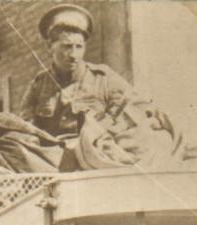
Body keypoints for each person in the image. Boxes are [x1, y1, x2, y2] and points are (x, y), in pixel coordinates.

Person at [20, 5, 136, 141]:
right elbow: (26, 126)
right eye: (66, 46)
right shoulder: (38, 85)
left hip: (94, 152)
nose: (73, 55)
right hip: (52, 156)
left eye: (79, 47)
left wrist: (102, 132)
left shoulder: (103, 78)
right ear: (50, 47)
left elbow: (130, 110)